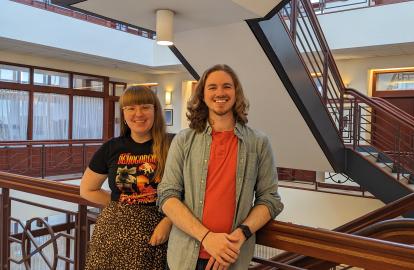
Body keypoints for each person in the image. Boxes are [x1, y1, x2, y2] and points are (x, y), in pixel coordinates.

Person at [157, 64, 284, 270]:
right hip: (185, 257)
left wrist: (239, 235)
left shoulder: (258, 142)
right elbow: (167, 195)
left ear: (236, 93)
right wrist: (207, 238)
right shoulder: (183, 140)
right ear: (202, 94)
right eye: (212, 87)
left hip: (232, 258)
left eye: (227, 86)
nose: (220, 93)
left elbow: (270, 199)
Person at [80, 85, 171, 270]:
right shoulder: (111, 147)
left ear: (155, 110)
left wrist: (169, 221)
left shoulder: (173, 144)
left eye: (145, 107)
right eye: (131, 108)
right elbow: (87, 189)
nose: (138, 113)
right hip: (112, 233)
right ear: (124, 113)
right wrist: (122, 204)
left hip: (156, 233)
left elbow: (189, 193)